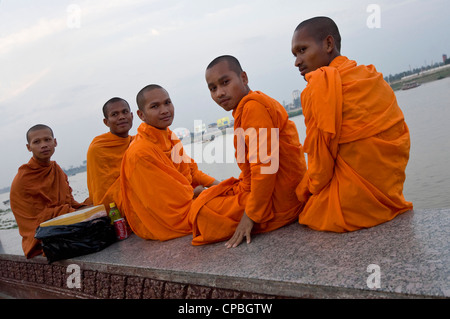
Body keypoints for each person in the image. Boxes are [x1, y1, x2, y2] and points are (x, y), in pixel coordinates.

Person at [291, 16, 413, 232]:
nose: (297, 62)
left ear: (329, 44)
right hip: (389, 194)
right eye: (295, 54)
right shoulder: (371, 77)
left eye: (302, 50)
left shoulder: (316, 89)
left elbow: (321, 170)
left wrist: (305, 189)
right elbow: (400, 137)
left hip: (351, 207)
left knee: (306, 209)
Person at [188, 55, 307, 248]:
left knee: (202, 211)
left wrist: (250, 215)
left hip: (279, 201)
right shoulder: (247, 108)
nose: (220, 93)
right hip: (272, 192)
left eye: (225, 82)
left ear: (244, 78)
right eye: (213, 88)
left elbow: (265, 168)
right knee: (207, 198)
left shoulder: (253, 107)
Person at [119, 84, 220, 241]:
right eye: (155, 106)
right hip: (167, 221)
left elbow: (192, 172)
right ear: (141, 114)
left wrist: (220, 186)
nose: (165, 110)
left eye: (167, 102)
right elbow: (167, 203)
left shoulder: (169, 136)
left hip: (189, 200)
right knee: (233, 210)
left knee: (234, 195)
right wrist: (200, 193)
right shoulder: (140, 152)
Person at [10, 124, 91, 258]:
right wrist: (74, 213)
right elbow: (39, 217)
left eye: (47, 140)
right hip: (41, 236)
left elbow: (69, 201)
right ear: (28, 147)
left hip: (63, 224)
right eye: (37, 142)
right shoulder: (24, 178)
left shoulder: (56, 169)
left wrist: (88, 207)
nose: (44, 145)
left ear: (55, 142)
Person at [86, 97, 134, 211]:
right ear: (106, 122)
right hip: (115, 209)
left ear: (131, 116)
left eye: (125, 112)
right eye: (114, 114)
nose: (121, 117)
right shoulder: (98, 148)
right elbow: (102, 193)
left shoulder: (137, 142)